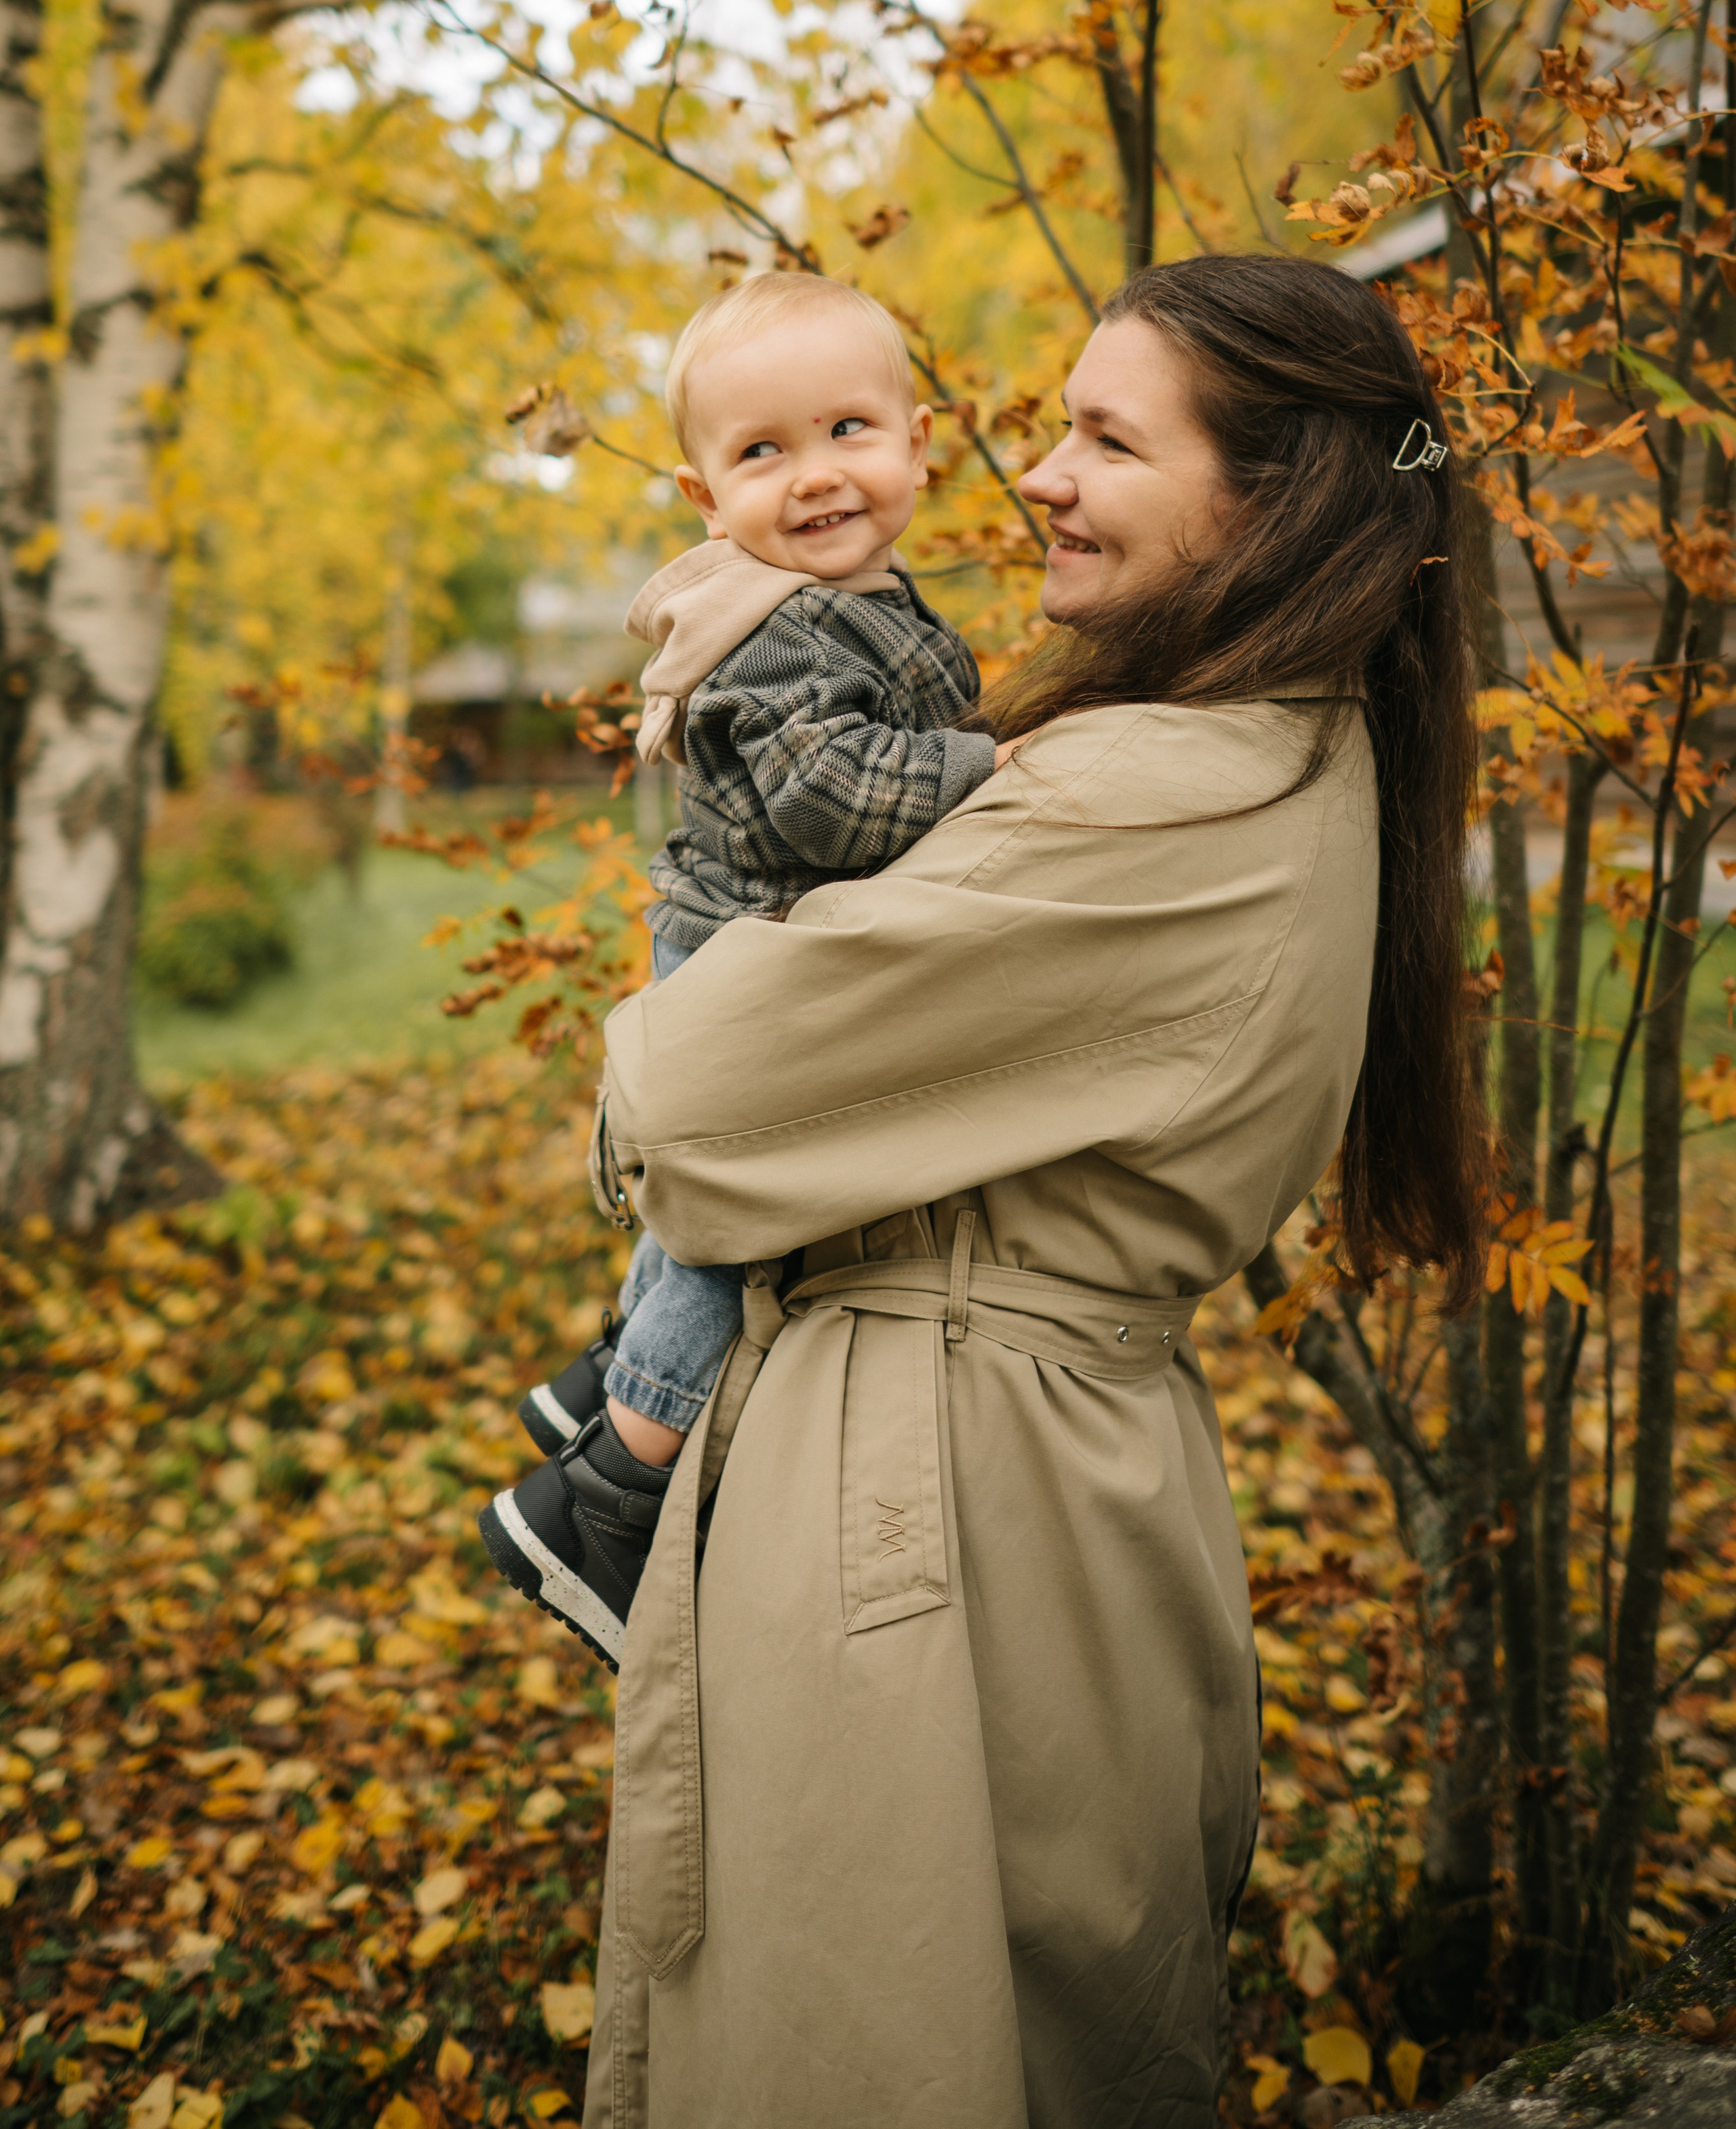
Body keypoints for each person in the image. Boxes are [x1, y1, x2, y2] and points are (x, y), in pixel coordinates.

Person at [578, 254, 1486, 2129]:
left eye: (1105, 439)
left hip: (936, 1509)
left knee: (872, 2032)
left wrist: (660, 1013)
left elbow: (687, 1096)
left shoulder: (1154, 791)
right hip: (1035, 1478)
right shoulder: (1283, 749)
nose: (1039, 479)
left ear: (1274, 499)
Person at [481, 268, 1018, 1669]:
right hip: (747, 959)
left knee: (717, 1191)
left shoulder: (843, 597)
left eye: (848, 428)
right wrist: (990, 772)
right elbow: (825, 802)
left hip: (747, 948)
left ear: (919, 442)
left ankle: (604, 1384)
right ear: (703, 495)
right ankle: (609, 1494)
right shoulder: (780, 623)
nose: (818, 474)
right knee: (747, 1209)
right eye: (762, 451)